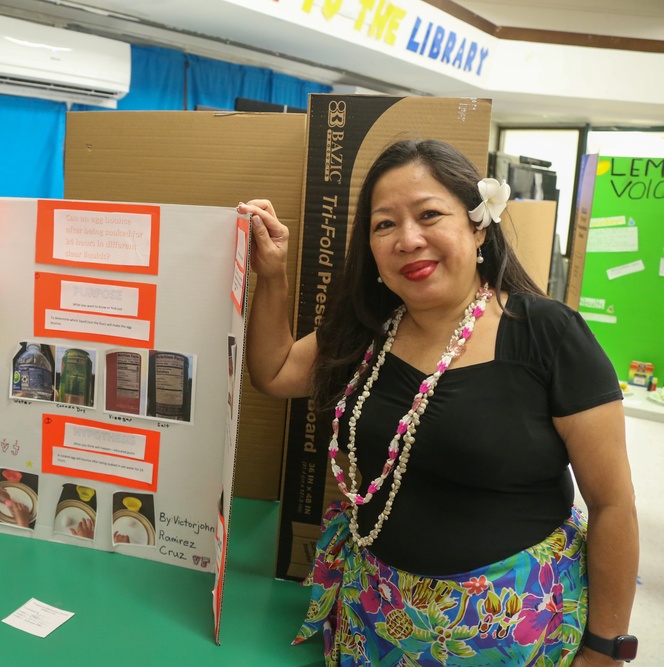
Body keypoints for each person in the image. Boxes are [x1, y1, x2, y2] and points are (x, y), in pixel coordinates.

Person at [239, 139, 639, 666]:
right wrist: (272, 274)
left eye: (430, 215)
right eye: (384, 225)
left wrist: (605, 650)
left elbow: (612, 505)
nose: (408, 239)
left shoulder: (546, 334)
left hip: (513, 632)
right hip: (376, 619)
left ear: (478, 226)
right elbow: (274, 372)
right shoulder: (367, 328)